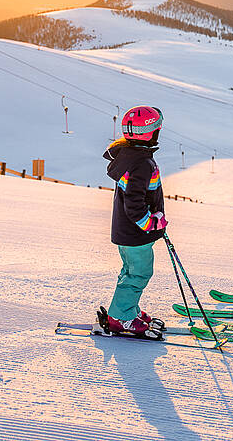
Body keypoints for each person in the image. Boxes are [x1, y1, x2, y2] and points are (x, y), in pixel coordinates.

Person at [97, 105, 168, 338]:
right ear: (150, 133)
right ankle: (121, 318)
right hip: (136, 233)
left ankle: (127, 309)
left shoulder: (129, 156)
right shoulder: (141, 163)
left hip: (127, 232)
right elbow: (135, 204)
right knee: (139, 274)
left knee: (130, 271)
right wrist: (151, 222)